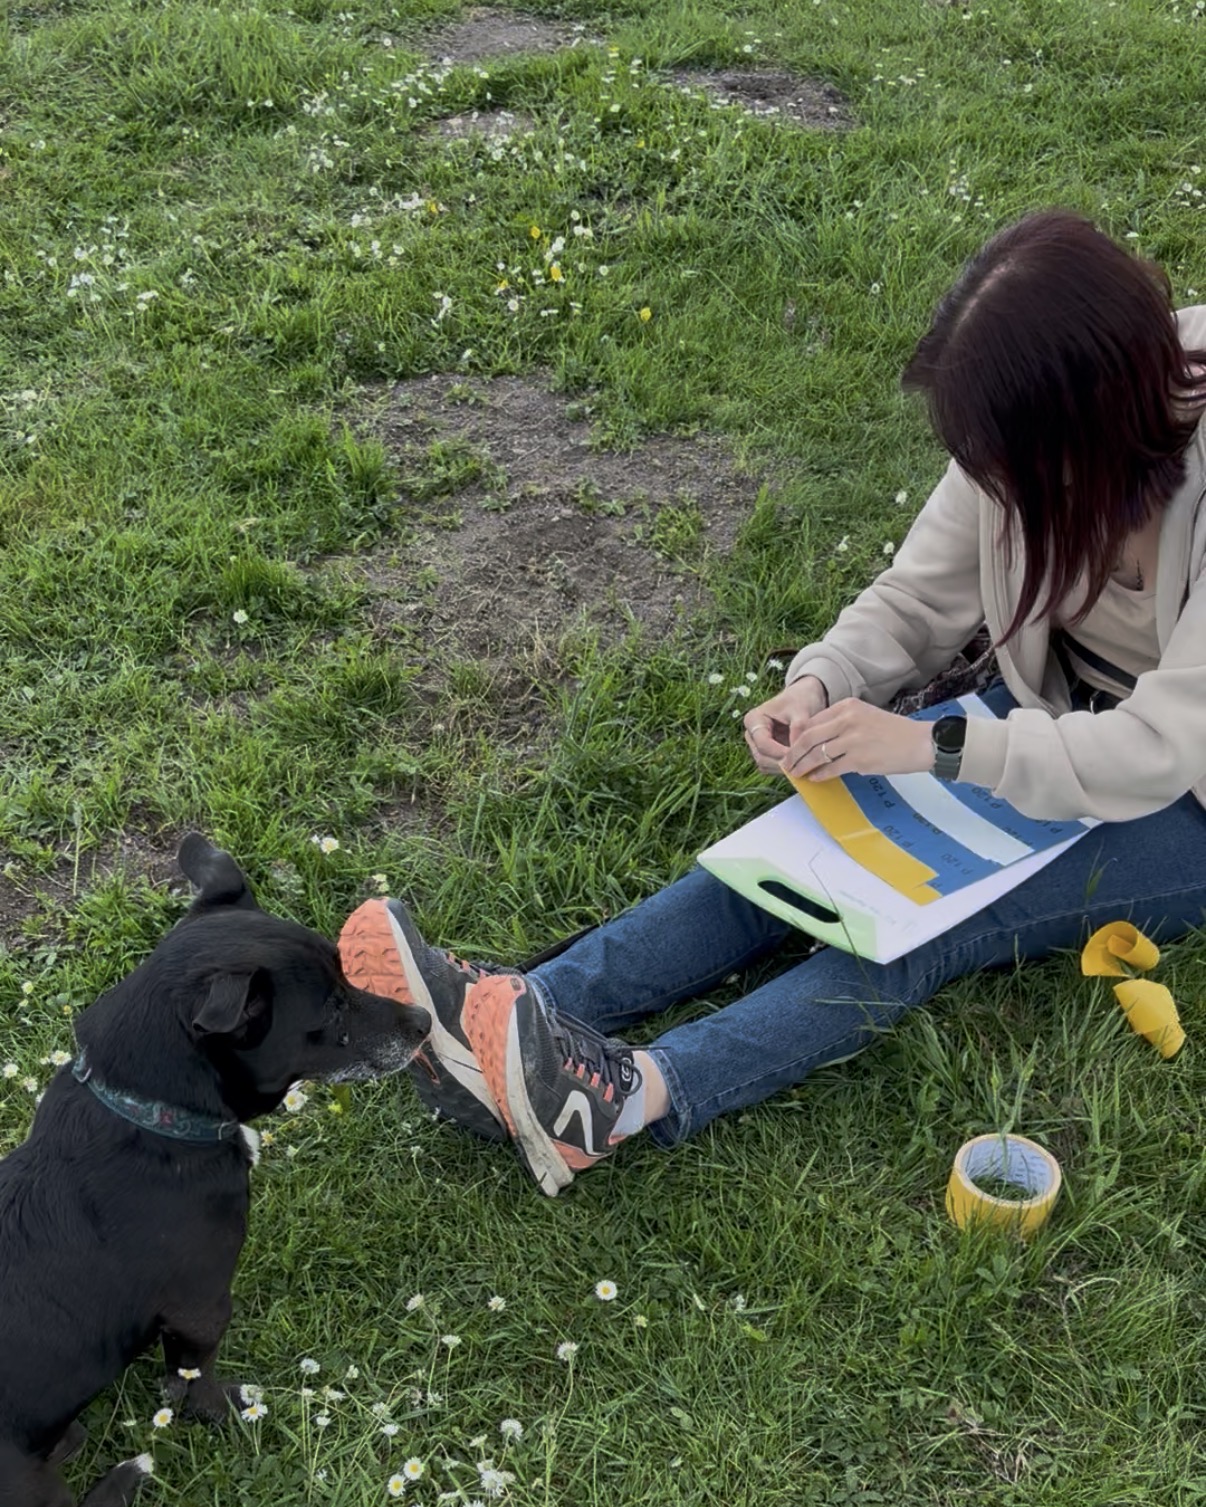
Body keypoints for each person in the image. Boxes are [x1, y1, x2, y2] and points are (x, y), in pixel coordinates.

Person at [339, 210, 1206, 1197]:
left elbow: (1159, 747)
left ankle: (613, 1101)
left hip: (1186, 798)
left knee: (918, 922)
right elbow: (918, 597)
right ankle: (499, 1017)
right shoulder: (1024, 425)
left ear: (1087, 431)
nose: (989, 486)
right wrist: (822, 681)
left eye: (1007, 468)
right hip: (1048, 712)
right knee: (790, 853)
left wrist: (939, 748)